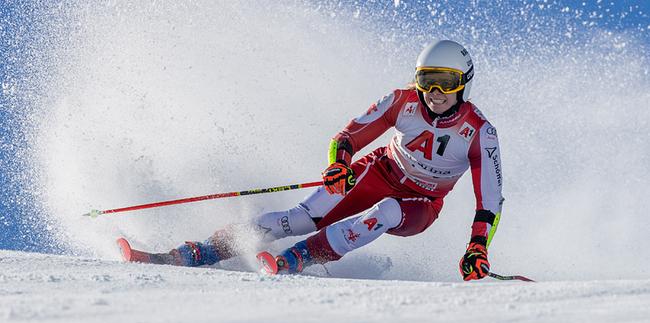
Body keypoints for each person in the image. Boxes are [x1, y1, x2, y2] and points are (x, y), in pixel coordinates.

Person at [121, 39, 504, 281]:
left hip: (420, 203)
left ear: (464, 84)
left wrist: (477, 247)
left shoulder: (480, 132)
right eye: (427, 79)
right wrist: (339, 164)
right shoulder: (402, 101)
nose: (434, 93)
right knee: (296, 219)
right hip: (378, 170)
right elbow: (348, 137)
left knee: (386, 210)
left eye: (446, 82)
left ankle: (296, 259)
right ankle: (193, 253)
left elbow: (490, 202)